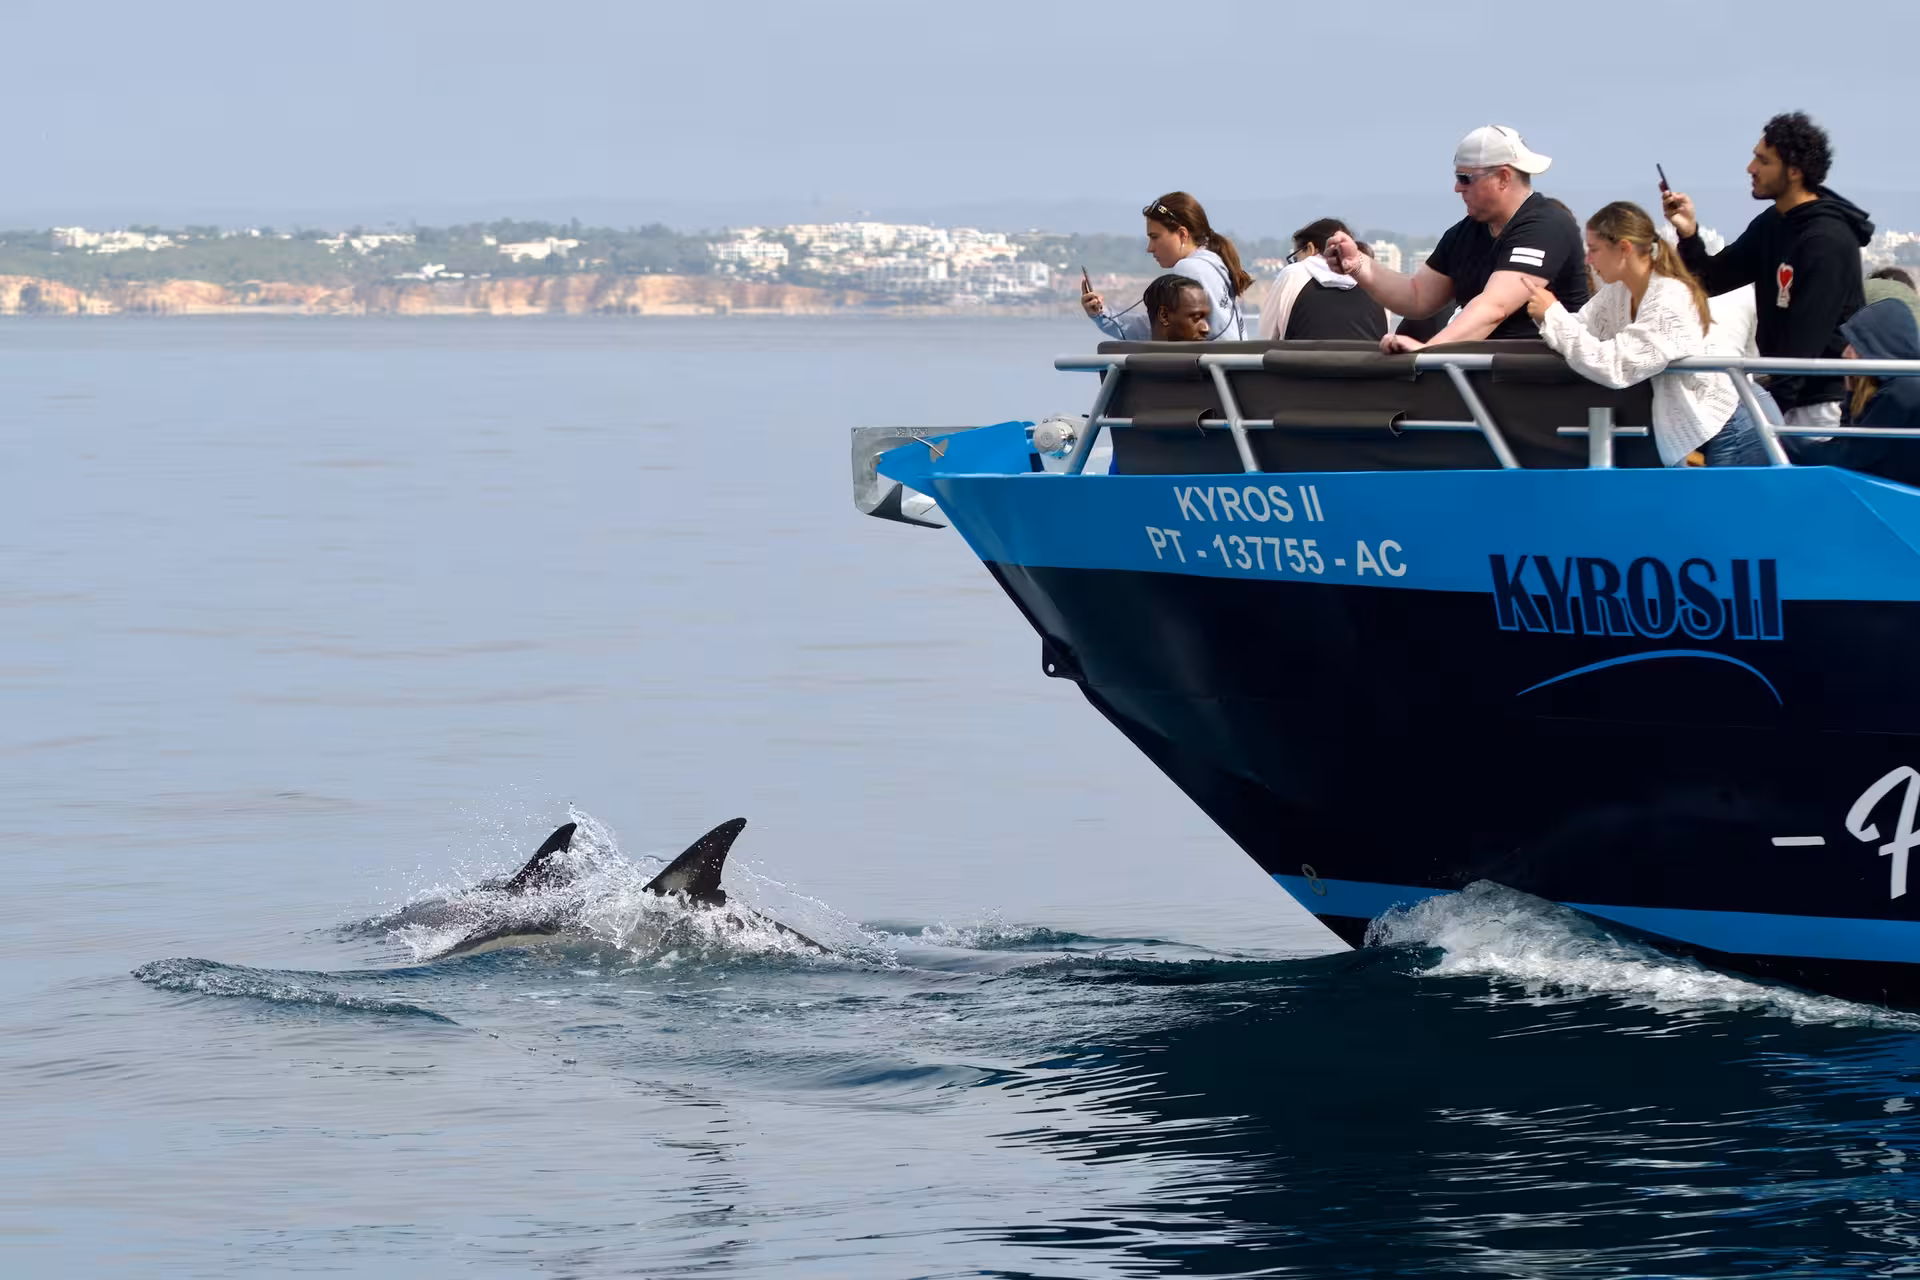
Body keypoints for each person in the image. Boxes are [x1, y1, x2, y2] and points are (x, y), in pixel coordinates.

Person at [1662, 112, 1874, 435]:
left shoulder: (1826, 241)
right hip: (1784, 397)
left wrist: (1767, 419)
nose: (1751, 169)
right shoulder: (1773, 223)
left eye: (1763, 161)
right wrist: (1689, 235)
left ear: (1794, 171)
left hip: (1819, 408)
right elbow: (1709, 280)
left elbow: (1803, 347)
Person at [1526, 201, 1767, 466]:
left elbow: (1616, 366)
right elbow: (1581, 328)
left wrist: (1552, 315)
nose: (1588, 259)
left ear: (1624, 249)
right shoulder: (1618, 292)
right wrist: (1548, 316)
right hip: (1701, 426)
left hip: (1727, 425)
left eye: (1594, 249)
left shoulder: (1668, 298)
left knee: (1725, 508)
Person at [1324, 125, 1589, 352]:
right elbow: (1418, 296)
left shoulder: (1546, 226)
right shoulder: (1465, 232)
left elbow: (1494, 307)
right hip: (1486, 384)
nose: (1457, 188)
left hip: (1543, 387)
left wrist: (1430, 352)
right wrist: (1358, 265)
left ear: (1504, 178)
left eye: (1466, 178)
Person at [1081, 192, 1252, 341]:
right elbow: (1160, 327)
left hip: (1213, 375)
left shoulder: (1189, 269)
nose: (1150, 248)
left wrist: (1102, 317)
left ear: (1182, 234)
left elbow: (1155, 330)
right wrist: (1102, 314)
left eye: (1155, 237)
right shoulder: (1213, 262)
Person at [1788, 298, 1920, 485]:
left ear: (1877, 347)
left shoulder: (1902, 392)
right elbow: (1849, 448)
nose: (1845, 353)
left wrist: (1783, 441)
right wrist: (1850, 394)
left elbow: (1846, 459)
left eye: (1856, 343)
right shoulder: (1900, 386)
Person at [1255, 218, 1387, 342]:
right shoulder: (1375, 282)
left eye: (1296, 257)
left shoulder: (1294, 274)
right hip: (1366, 365)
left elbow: (1266, 339)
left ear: (1311, 248)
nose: (1296, 262)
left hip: (1303, 365)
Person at [1145, 273, 1211, 341]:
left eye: (1207, 319)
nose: (1206, 329)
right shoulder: (1135, 350)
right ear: (1164, 316)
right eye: (1196, 318)